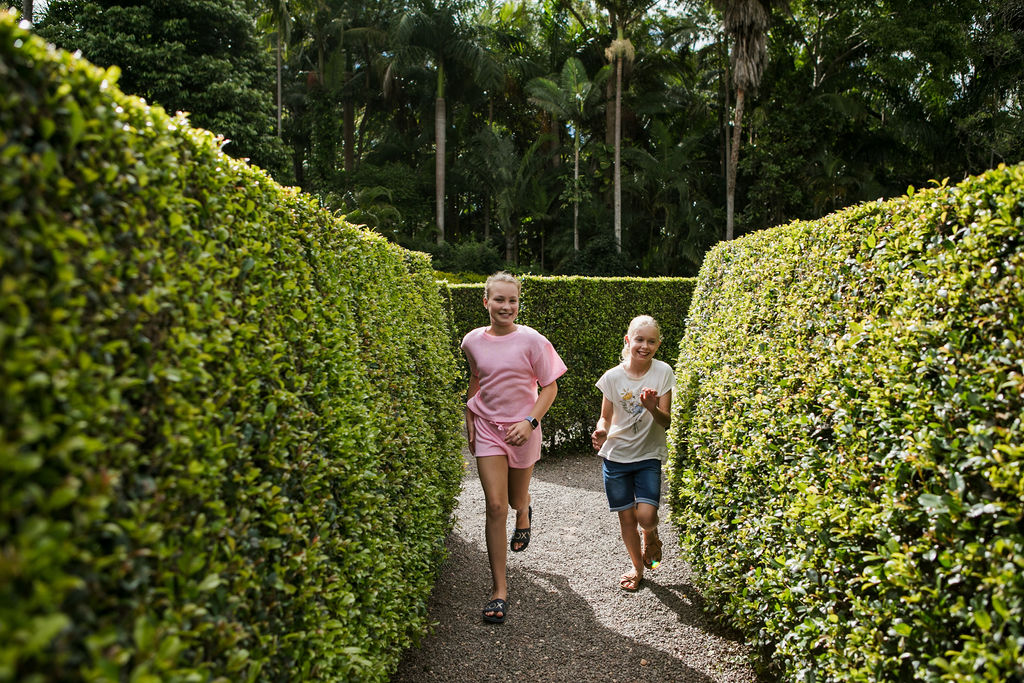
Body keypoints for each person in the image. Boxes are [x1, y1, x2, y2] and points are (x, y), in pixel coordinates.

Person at [461, 271, 567, 624]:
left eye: (513, 300)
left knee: (514, 499)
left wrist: (530, 422)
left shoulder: (533, 341)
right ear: (486, 301)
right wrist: (469, 416)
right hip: (488, 429)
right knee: (494, 505)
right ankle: (499, 590)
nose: (506, 306)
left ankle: (525, 511)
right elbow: (477, 380)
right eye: (500, 299)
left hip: (523, 431)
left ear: (519, 303)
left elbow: (549, 388)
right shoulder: (471, 341)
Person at [591, 315, 675, 592]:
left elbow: (666, 422)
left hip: (648, 455)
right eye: (639, 339)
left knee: (646, 517)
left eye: (651, 341)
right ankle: (638, 569)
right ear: (628, 341)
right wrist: (601, 431)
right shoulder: (612, 378)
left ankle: (651, 536)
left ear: (658, 344)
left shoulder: (663, 372)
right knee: (626, 518)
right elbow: (605, 418)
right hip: (615, 457)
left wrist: (652, 407)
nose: (645, 346)